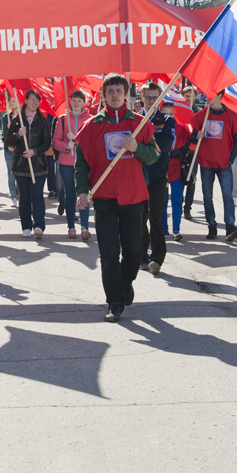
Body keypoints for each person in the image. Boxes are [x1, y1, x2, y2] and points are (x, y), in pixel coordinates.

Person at [74, 73, 159, 322]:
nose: (114, 95)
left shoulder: (141, 124)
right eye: (109, 91)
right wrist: (81, 190)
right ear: (103, 95)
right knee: (109, 253)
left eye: (118, 91)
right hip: (104, 198)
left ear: (126, 94)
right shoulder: (92, 127)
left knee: (134, 250)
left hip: (133, 196)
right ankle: (114, 302)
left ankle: (126, 282)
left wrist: (137, 148)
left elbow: (153, 156)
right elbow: (81, 164)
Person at [191, 90, 237, 241]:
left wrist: (230, 159)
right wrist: (196, 136)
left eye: (212, 94)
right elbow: (193, 139)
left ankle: (230, 227)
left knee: (228, 196)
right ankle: (212, 226)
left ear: (220, 96)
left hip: (224, 164)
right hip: (206, 162)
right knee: (207, 197)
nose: (208, 97)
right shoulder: (203, 114)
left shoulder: (231, 116)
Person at [139, 83, 176, 274]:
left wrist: (142, 146)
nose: (151, 101)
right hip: (138, 175)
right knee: (140, 217)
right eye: (148, 97)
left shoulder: (167, 120)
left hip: (159, 175)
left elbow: (164, 145)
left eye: (155, 98)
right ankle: (142, 256)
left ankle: (157, 257)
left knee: (156, 217)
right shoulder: (134, 119)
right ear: (142, 97)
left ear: (160, 99)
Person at [6, 89, 51, 239]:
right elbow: (8, 143)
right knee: (24, 197)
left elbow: (47, 143)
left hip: (38, 166)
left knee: (37, 195)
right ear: (25, 101)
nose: (35, 103)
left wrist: (35, 151)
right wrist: (18, 134)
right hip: (21, 166)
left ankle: (39, 225)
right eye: (32, 100)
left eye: (37, 100)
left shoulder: (42, 120)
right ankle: (26, 225)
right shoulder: (17, 120)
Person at [52, 89, 92, 240]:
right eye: (74, 100)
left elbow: (93, 141)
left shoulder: (90, 119)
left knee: (84, 194)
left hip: (84, 163)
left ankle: (85, 227)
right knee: (70, 195)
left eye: (79, 100)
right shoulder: (62, 119)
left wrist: (77, 140)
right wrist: (66, 146)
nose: (76, 103)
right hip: (66, 162)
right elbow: (55, 141)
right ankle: (71, 227)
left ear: (84, 103)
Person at [165, 99, 191, 241]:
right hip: (161, 168)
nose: (169, 116)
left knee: (176, 200)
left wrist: (196, 135)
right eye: (165, 113)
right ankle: (163, 229)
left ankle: (176, 229)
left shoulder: (181, 129)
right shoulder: (155, 127)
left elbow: (186, 147)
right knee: (161, 201)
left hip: (177, 169)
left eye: (171, 113)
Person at [180, 85, 200, 220]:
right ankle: (179, 204)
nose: (188, 98)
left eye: (191, 96)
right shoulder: (177, 110)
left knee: (191, 180)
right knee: (178, 180)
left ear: (195, 97)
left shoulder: (199, 113)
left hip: (193, 152)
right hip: (180, 151)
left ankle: (188, 209)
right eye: (186, 95)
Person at [0, 97, 20, 206]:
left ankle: (20, 194)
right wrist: (9, 144)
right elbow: (4, 134)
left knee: (21, 173)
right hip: (9, 150)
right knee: (11, 173)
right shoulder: (5, 116)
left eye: (14, 100)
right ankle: (13, 196)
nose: (12, 102)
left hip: (20, 149)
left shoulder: (23, 116)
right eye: (10, 101)